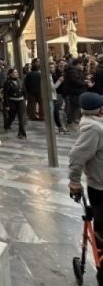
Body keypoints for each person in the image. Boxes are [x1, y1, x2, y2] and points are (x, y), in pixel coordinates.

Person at [68, 91, 103, 280]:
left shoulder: (97, 124)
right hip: (100, 186)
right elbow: (77, 155)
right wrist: (74, 181)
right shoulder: (93, 128)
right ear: (98, 110)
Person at [2, 67, 27, 139]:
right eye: (15, 72)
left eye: (17, 72)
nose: (17, 74)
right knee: (12, 116)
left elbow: (24, 91)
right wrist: (7, 105)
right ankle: (7, 124)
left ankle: (21, 133)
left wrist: (25, 99)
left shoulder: (20, 81)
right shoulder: (7, 82)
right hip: (12, 101)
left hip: (20, 101)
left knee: (21, 117)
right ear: (10, 74)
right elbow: (5, 94)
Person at [62, 58, 87, 125]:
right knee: (74, 107)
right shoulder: (72, 71)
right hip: (73, 92)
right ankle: (70, 120)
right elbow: (75, 81)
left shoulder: (75, 71)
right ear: (77, 64)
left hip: (74, 92)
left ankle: (70, 120)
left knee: (73, 107)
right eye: (81, 64)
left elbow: (78, 79)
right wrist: (85, 83)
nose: (82, 66)